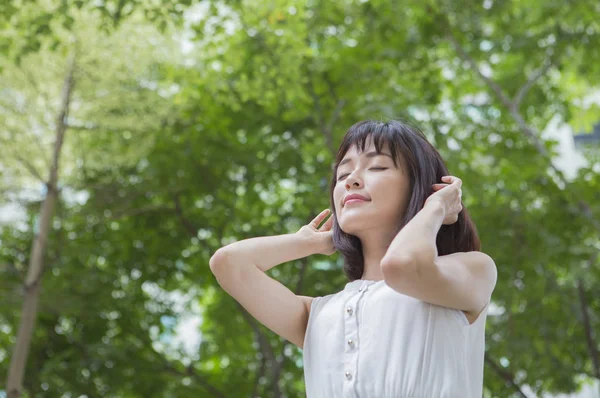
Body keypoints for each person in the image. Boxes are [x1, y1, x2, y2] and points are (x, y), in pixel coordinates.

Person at [209, 119, 497, 398]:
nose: (352, 181)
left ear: (421, 187)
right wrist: (308, 242)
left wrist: (435, 207)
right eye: (343, 175)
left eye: (377, 166)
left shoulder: (473, 269)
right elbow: (229, 263)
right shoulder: (317, 316)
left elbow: (403, 266)